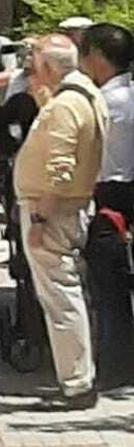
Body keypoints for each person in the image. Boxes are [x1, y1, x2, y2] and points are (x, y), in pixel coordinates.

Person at [12, 33, 107, 409]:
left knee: (60, 297)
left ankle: (77, 382)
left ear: (49, 67)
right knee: (64, 293)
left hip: (52, 208)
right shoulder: (83, 95)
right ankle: (78, 377)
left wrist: (40, 216)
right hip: (68, 205)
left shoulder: (67, 104)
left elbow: (61, 165)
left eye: (36, 61)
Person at [79, 22, 134, 387]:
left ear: (97, 57)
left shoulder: (103, 102)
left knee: (109, 286)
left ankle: (116, 365)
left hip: (108, 195)